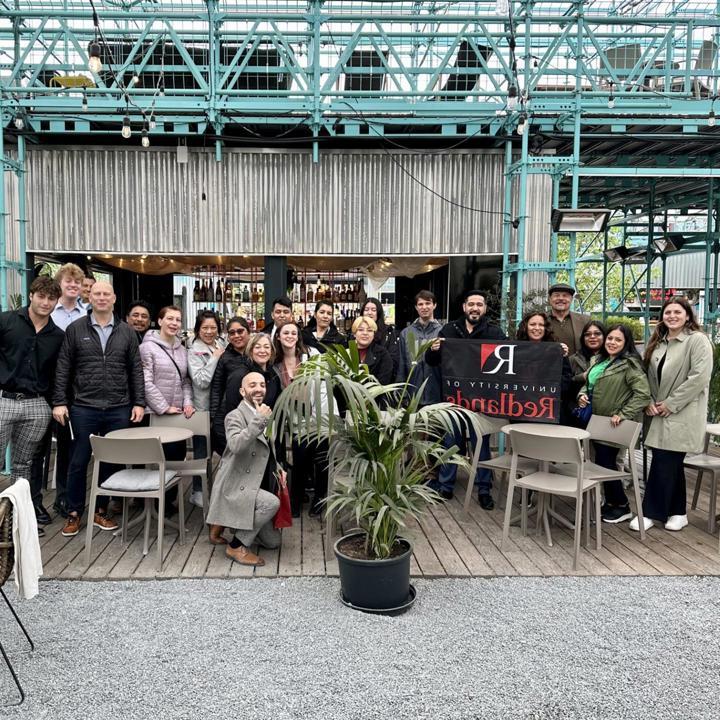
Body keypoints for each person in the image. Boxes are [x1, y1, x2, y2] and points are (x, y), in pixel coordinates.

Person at [53, 281, 145, 537]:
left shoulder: (126, 331)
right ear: (89, 297)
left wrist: (139, 402)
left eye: (106, 294)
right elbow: (63, 368)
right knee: (78, 461)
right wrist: (60, 401)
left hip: (118, 406)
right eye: (97, 294)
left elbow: (135, 369)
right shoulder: (75, 329)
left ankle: (100, 510)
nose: (102, 298)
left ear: (114, 298)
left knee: (111, 461)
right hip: (84, 406)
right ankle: (73, 512)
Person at [630, 297, 713, 533]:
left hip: (682, 413)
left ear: (688, 315)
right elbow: (648, 376)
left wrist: (671, 403)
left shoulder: (697, 341)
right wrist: (648, 401)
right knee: (671, 463)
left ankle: (651, 512)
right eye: (668, 312)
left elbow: (699, 377)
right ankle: (679, 512)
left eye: (678, 312)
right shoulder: (660, 342)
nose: (672, 316)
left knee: (664, 461)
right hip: (658, 412)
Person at [425, 290, 506, 508]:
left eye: (479, 304)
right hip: (454, 399)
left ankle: (484, 490)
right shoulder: (450, 329)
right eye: (471, 304)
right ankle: (446, 486)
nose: (475, 308)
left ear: (484, 309)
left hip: (483, 402)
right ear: (464, 307)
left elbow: (511, 360)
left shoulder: (495, 333)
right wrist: (432, 350)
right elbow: (432, 361)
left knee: (482, 445)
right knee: (450, 442)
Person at [0, 277, 64, 533]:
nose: (46, 302)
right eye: (41, 296)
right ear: (31, 295)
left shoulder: (57, 335)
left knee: (24, 466)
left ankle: (18, 521)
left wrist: (57, 403)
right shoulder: (6, 321)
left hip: (37, 405)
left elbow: (59, 373)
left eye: (51, 299)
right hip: (4, 399)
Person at [577, 324, 651, 524]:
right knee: (602, 463)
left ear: (626, 343)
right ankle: (611, 503)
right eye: (610, 338)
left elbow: (643, 394)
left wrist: (624, 413)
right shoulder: (598, 360)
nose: (612, 342)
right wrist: (582, 394)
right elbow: (589, 383)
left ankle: (622, 505)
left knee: (606, 465)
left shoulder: (629, 364)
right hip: (595, 420)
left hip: (612, 424)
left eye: (618, 339)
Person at [205, 371, 281, 566]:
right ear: (242, 391)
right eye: (252, 385)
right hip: (238, 482)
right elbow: (236, 445)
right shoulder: (235, 416)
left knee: (274, 543)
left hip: (257, 480)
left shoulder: (263, 412)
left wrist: (279, 468)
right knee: (271, 504)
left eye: (262, 385)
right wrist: (258, 421)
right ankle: (236, 545)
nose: (258, 389)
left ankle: (226, 523)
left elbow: (268, 449)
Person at [140, 306, 195, 513]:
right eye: (169, 318)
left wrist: (187, 402)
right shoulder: (147, 348)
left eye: (178, 320)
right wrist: (163, 407)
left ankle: (167, 501)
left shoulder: (182, 350)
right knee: (155, 459)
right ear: (160, 320)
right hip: (155, 413)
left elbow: (186, 381)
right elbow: (145, 382)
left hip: (177, 413)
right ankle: (150, 502)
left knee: (176, 457)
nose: (174, 323)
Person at [273, 323, 325, 517]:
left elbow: (323, 384)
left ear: (298, 336)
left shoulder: (311, 355)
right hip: (293, 419)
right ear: (278, 336)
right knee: (299, 457)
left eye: (293, 333)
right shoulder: (274, 362)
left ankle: (320, 498)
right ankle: (296, 499)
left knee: (321, 457)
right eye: (285, 332)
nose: (290, 336)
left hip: (317, 414)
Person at [214, 332, 281, 457]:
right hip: (244, 437)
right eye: (258, 347)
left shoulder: (274, 375)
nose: (262, 350)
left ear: (271, 351)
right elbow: (232, 411)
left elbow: (274, 411)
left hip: (265, 438)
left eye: (266, 347)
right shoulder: (240, 375)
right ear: (250, 350)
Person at [187, 310, 226, 508]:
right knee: (202, 453)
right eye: (205, 328)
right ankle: (198, 492)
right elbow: (201, 381)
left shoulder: (221, 344)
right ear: (198, 329)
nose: (209, 332)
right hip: (202, 410)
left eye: (213, 327)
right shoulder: (194, 350)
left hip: (220, 409)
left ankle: (217, 490)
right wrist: (215, 358)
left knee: (220, 451)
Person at [516, 311, 574, 424]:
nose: (537, 328)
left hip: (549, 410)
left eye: (541, 325)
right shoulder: (515, 350)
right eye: (532, 324)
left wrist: (547, 391)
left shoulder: (557, 350)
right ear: (525, 327)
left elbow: (567, 379)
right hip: (522, 410)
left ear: (546, 328)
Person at [397, 290, 443, 406]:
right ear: (416, 307)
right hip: (412, 396)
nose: (424, 307)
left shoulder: (443, 332)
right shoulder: (406, 333)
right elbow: (402, 366)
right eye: (420, 304)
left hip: (436, 396)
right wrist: (401, 395)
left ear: (435, 305)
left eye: (428, 303)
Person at [209, 317, 251, 439]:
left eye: (240, 331)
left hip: (254, 412)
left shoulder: (258, 353)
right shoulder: (224, 358)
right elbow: (217, 388)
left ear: (248, 332)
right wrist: (214, 416)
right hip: (229, 412)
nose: (236, 335)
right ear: (228, 337)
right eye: (232, 333)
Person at [546, 283, 591, 357]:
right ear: (550, 299)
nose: (561, 298)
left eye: (565, 295)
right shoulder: (541, 320)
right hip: (547, 366)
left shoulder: (585, 321)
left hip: (576, 367)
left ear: (571, 299)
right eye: (556, 295)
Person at [360, 298, 400, 376]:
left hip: (383, 378)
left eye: (373, 310)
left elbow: (394, 359)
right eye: (366, 309)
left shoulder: (388, 333)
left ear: (378, 313)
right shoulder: (356, 332)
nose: (369, 313)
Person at [351, 316, 394, 385]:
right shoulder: (346, 352)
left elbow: (384, 382)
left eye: (370, 330)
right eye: (361, 330)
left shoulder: (383, 354)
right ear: (354, 333)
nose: (365, 333)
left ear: (374, 334)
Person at [569, 320, 606, 396]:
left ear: (605, 336)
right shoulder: (573, 359)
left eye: (597, 333)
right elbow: (565, 385)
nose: (592, 337)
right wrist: (582, 377)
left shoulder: (612, 358)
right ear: (583, 338)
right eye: (588, 334)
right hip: (578, 405)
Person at [50, 263, 86, 331]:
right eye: (68, 281)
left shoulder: (86, 315)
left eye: (77, 282)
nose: (73, 285)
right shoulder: (49, 312)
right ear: (59, 283)